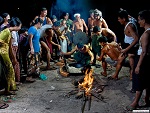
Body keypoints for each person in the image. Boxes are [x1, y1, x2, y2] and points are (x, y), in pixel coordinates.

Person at [126, 10, 150, 111]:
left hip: (142, 59)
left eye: (140, 20)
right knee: (147, 80)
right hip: (146, 59)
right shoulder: (148, 31)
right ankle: (147, 98)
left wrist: (138, 65)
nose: (138, 22)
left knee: (138, 81)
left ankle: (135, 103)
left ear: (144, 20)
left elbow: (144, 52)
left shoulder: (146, 34)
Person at [109, 9, 139, 80]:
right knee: (120, 59)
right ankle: (115, 75)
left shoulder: (129, 26)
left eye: (119, 19)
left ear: (124, 19)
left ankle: (132, 76)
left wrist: (126, 49)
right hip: (127, 44)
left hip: (132, 46)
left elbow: (136, 39)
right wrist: (123, 11)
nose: (118, 20)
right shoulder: (131, 19)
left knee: (131, 62)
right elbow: (129, 16)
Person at [0, 17, 22, 95]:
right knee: (9, 70)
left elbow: (10, 46)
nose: (20, 28)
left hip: (5, 53)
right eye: (20, 26)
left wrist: (13, 57)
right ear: (16, 25)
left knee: (10, 70)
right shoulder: (6, 31)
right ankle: (8, 89)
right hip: (2, 53)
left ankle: (9, 88)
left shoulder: (9, 32)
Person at [26, 17, 43, 82]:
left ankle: (35, 75)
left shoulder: (36, 30)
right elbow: (30, 38)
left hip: (37, 49)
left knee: (36, 63)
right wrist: (32, 48)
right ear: (38, 23)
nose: (41, 26)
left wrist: (39, 47)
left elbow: (37, 40)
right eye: (41, 24)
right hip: (33, 49)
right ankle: (28, 77)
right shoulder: (32, 29)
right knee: (31, 63)